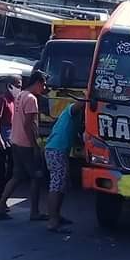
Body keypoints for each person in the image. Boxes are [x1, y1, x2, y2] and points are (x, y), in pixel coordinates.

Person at [0, 71, 48, 220]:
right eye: (43, 85)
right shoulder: (31, 99)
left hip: (15, 140)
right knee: (36, 176)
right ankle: (35, 212)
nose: (44, 88)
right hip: (26, 144)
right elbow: (29, 124)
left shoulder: (20, 95)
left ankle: (0, 206)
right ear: (38, 82)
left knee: (17, 176)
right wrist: (35, 146)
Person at [43, 100, 83, 233]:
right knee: (56, 184)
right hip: (56, 149)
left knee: (62, 183)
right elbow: (80, 103)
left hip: (59, 150)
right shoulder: (71, 110)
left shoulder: (76, 118)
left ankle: (56, 216)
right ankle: (52, 221)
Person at [0, 74, 21, 205]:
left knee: (11, 170)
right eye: (17, 85)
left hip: (10, 138)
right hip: (0, 138)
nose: (19, 88)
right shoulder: (2, 100)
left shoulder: (14, 100)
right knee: (2, 170)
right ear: (9, 86)